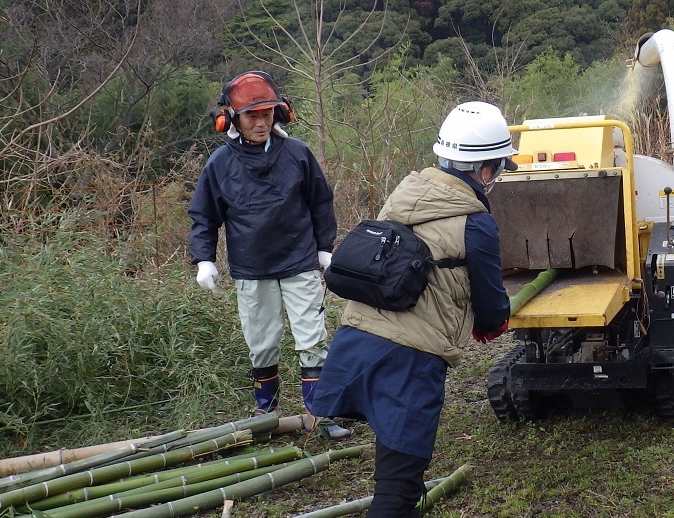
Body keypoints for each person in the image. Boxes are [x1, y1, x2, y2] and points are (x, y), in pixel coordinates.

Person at [311, 101, 515, 515]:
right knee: (399, 488)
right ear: (485, 171)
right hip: (409, 359)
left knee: (394, 469)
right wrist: (492, 322)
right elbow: (492, 305)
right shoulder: (476, 223)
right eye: (497, 168)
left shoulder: (405, 194)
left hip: (356, 340)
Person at [187, 71, 349, 439]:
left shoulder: (298, 154)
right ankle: (266, 413)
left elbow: (321, 203)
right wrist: (204, 259)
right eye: (252, 116)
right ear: (231, 119)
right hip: (251, 267)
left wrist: (325, 249)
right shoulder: (219, 164)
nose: (261, 122)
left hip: (300, 262)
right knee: (261, 343)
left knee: (312, 338)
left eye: (268, 113)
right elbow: (204, 216)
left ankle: (319, 416)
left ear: (281, 112)